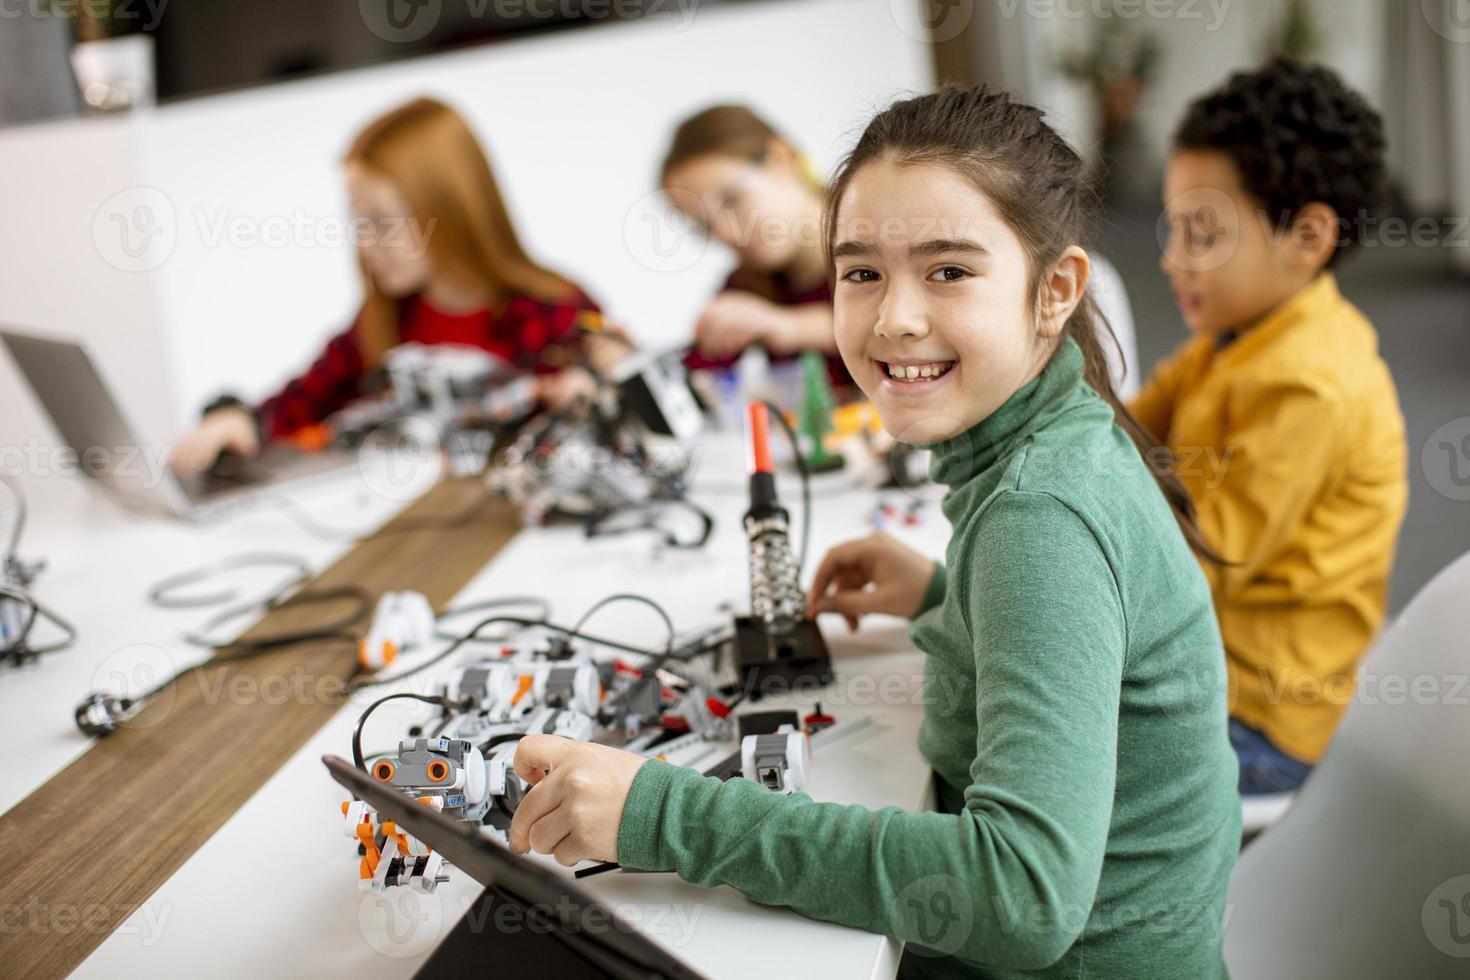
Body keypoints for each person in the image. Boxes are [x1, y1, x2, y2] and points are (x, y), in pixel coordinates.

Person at [504, 87, 1240, 978]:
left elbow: (1022, 897)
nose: (892, 318)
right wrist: (943, 598)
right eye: (861, 273)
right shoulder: (1046, 450)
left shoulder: (1042, 518)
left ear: (1055, 292)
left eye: (948, 271)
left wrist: (664, 814)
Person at [1133, 59, 1408, 794]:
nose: (1170, 258)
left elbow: (1191, 568)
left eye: (1202, 232)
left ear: (1309, 237)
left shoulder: (1306, 386)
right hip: (1212, 661)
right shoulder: (1239, 330)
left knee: (1037, 750)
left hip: (1260, 716)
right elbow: (1125, 425)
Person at [171, 97, 600, 475]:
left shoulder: (557, 315)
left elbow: (617, 388)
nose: (365, 243)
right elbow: (298, 405)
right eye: (359, 222)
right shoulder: (382, 322)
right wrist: (239, 421)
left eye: (380, 222)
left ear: (447, 210)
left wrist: (590, 384)